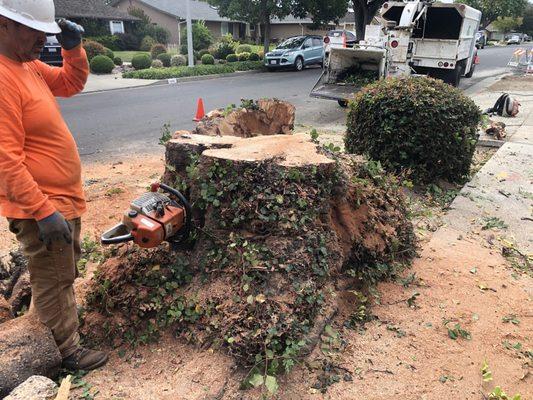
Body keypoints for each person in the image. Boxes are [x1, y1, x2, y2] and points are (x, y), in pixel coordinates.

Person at [0, 0, 108, 370]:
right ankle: (65, 353)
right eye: (35, 31)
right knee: (54, 281)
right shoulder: (2, 78)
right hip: (42, 206)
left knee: (58, 274)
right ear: (4, 25)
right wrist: (44, 212)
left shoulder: (26, 65)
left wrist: (73, 49)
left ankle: (49, 334)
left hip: (57, 201)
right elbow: (4, 160)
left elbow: (69, 83)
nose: (43, 38)